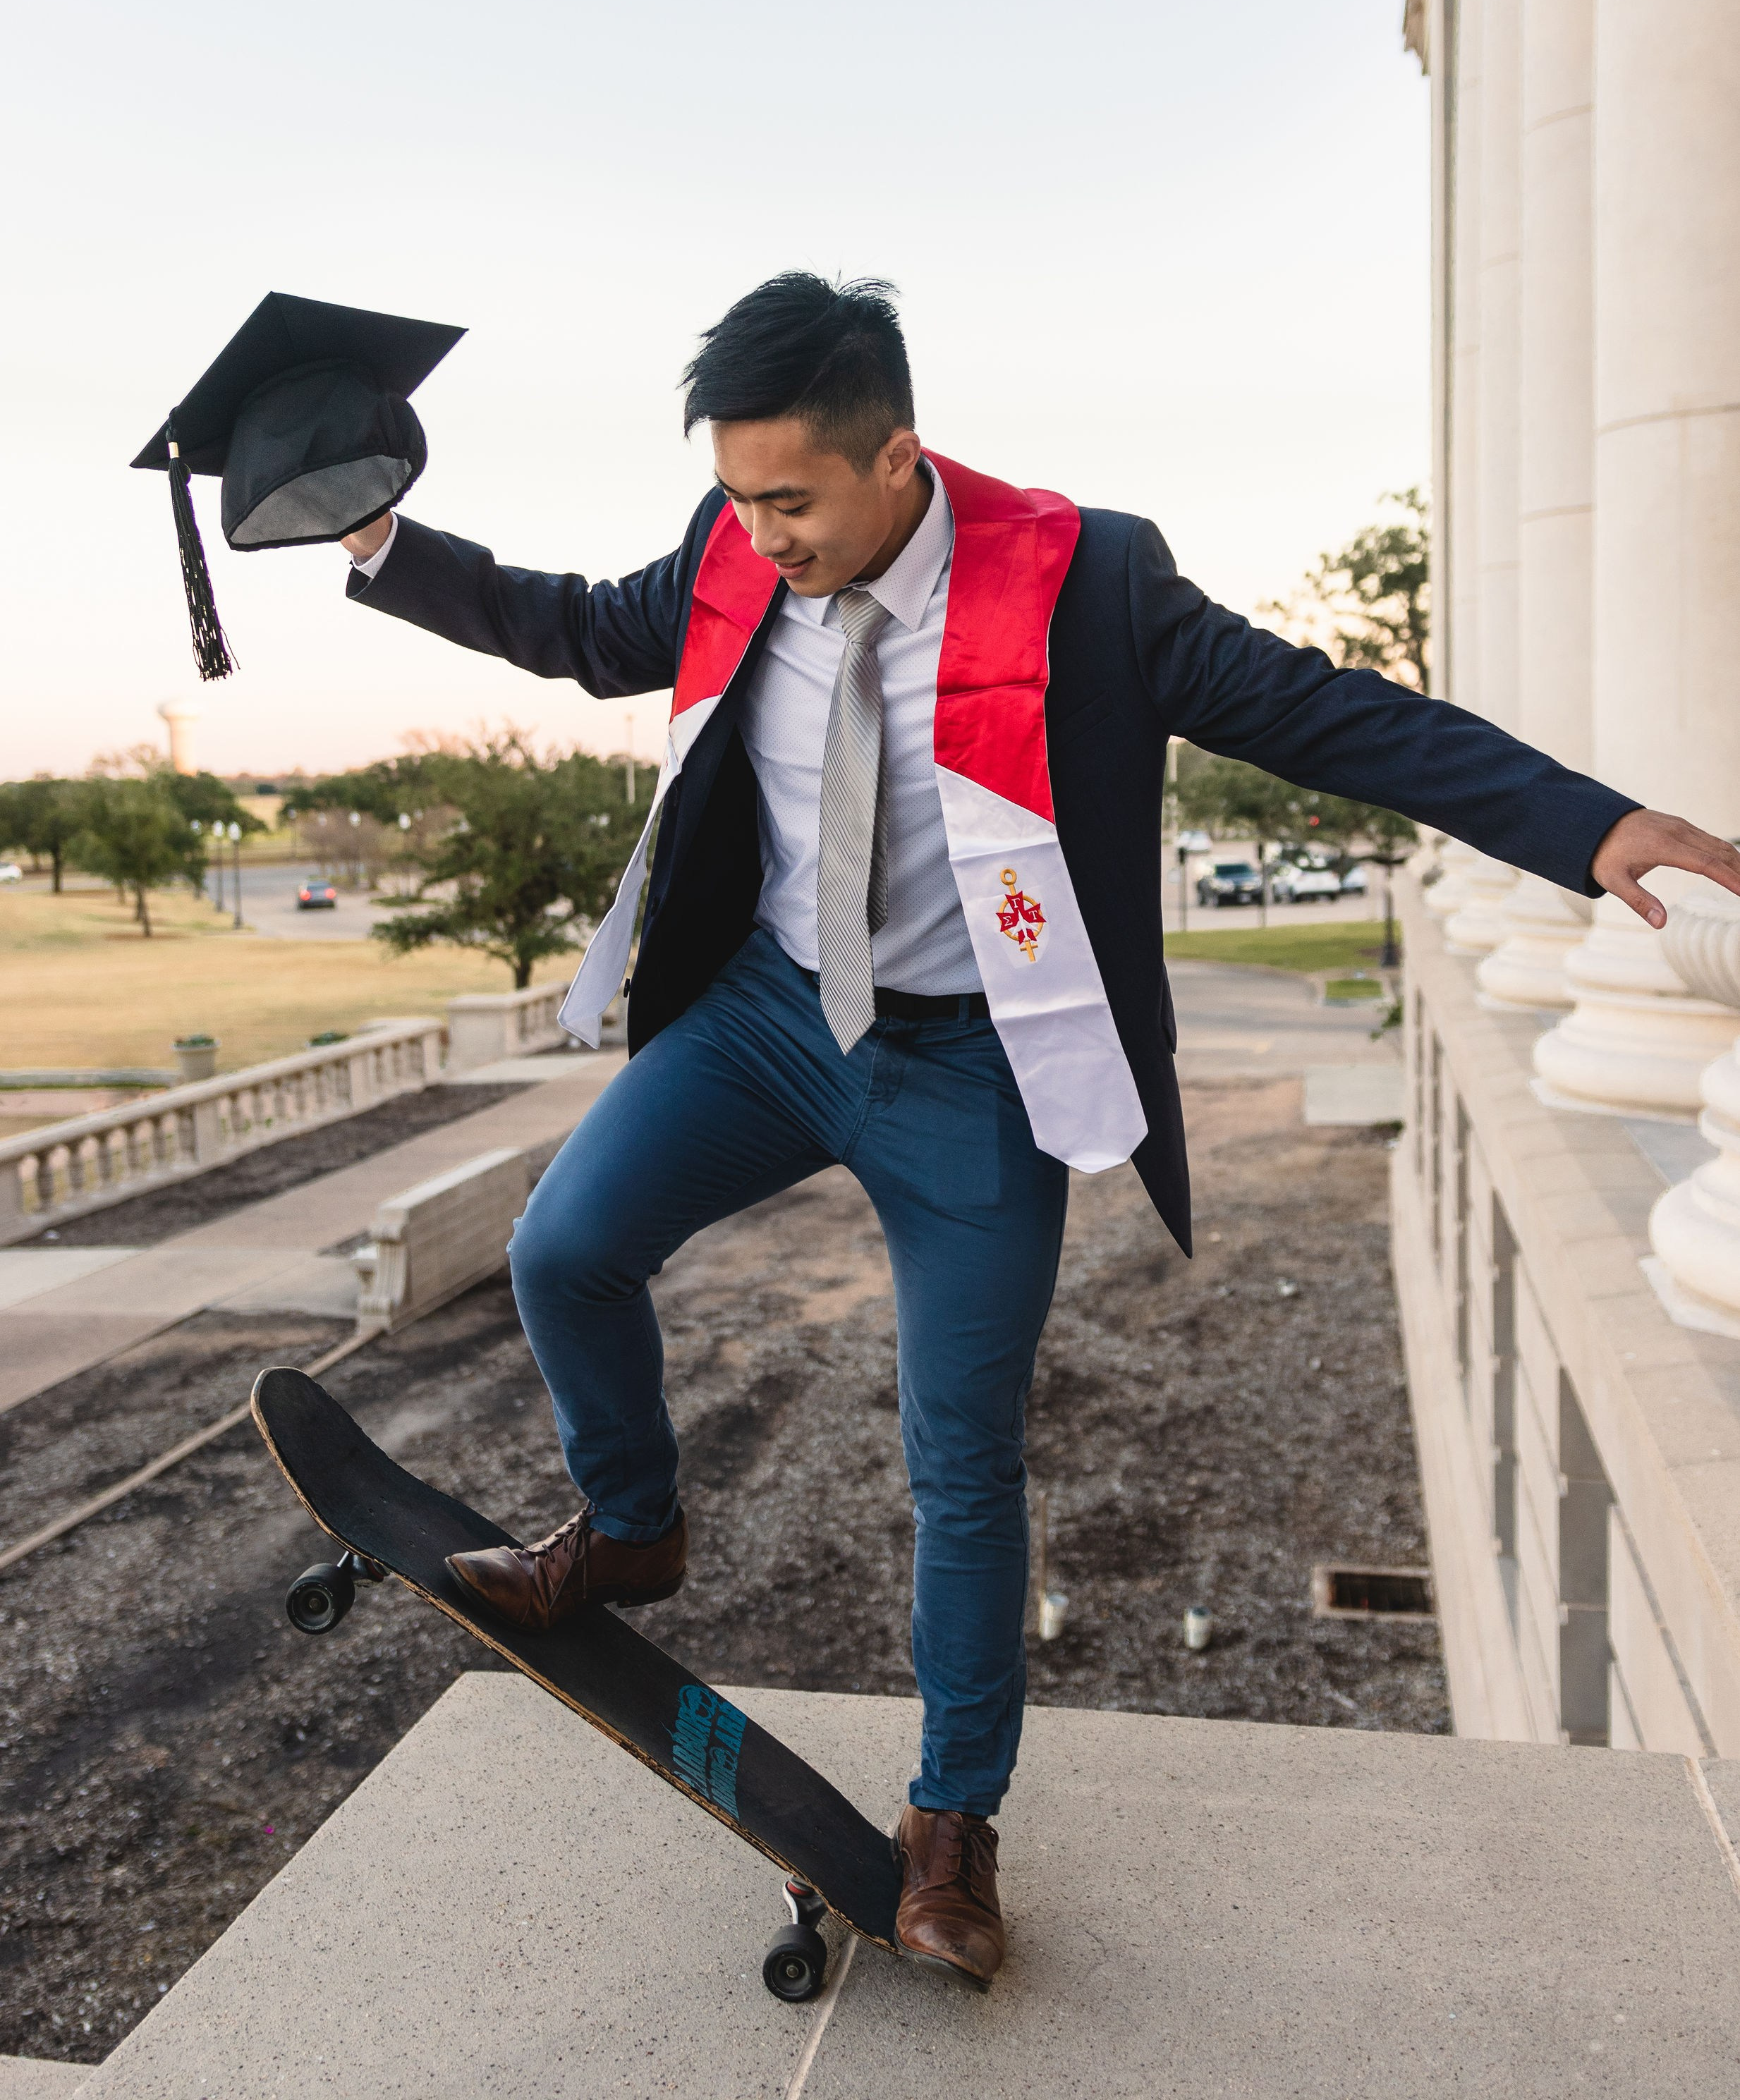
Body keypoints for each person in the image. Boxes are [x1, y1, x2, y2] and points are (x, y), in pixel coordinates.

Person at [339, 272, 1740, 1986]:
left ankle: (951, 1823)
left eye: (790, 499)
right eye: (736, 497)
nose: (759, 534)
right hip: (771, 1021)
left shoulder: (1091, 581)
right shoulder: (733, 549)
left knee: (960, 1452)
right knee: (564, 1249)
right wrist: (380, 540)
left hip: (980, 1070)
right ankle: (632, 1528)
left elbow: (1328, 714)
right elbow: (567, 627)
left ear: (896, 457)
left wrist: (1583, 825)